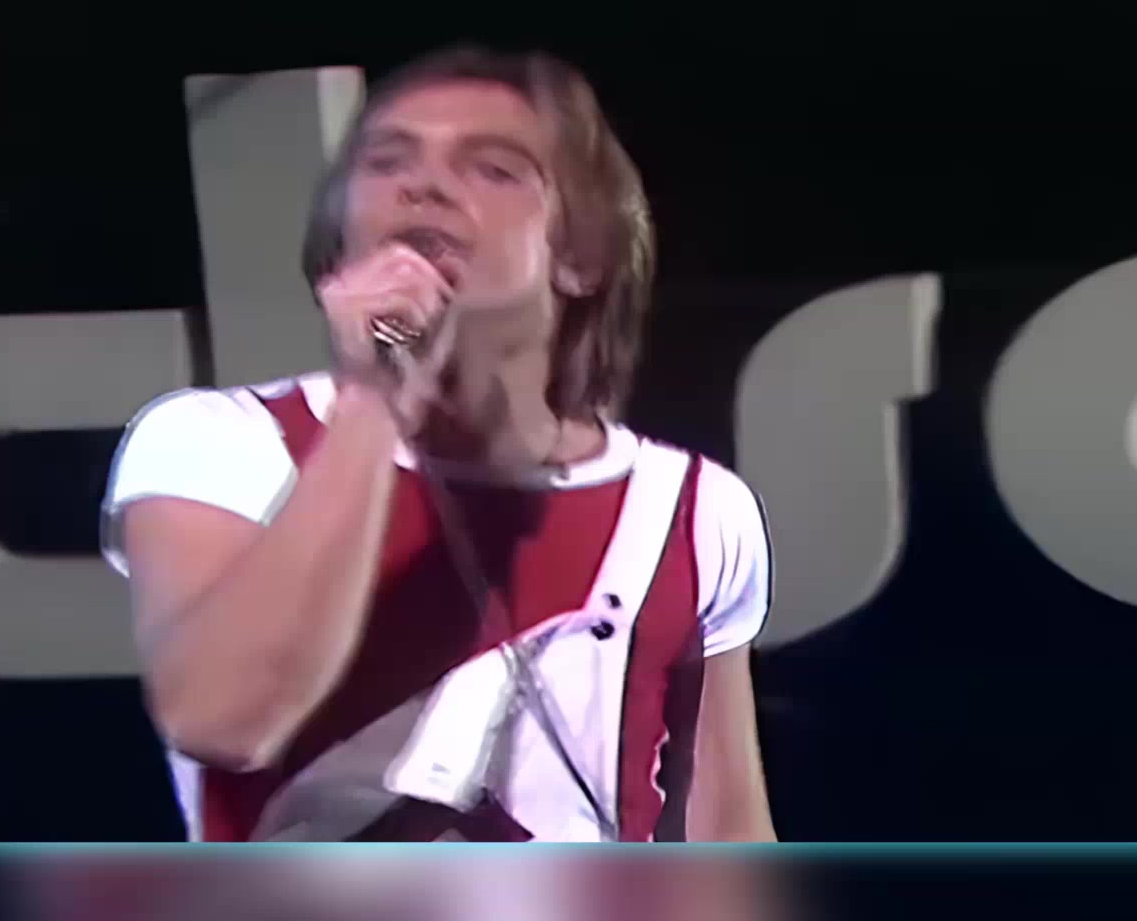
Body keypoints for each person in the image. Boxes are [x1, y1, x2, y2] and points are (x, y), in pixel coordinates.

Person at [100, 45, 777, 842]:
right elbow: (222, 719)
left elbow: (727, 831)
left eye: (492, 169)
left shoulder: (694, 509)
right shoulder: (223, 441)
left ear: (581, 257)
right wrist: (372, 401)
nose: (424, 186)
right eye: (387, 161)